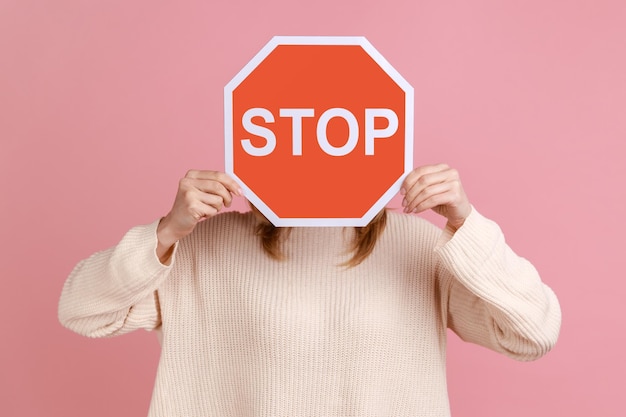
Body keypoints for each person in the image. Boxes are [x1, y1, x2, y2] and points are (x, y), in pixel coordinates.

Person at [58, 164, 561, 417]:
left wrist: (467, 224)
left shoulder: (420, 246)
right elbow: (82, 311)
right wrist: (166, 231)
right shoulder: (201, 246)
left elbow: (532, 333)